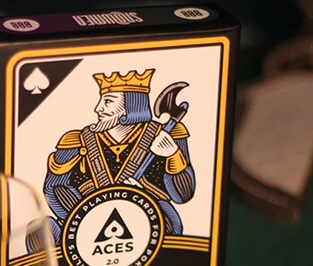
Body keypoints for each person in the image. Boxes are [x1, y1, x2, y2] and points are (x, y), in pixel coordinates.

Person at [37, 69, 196, 249]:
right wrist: (91, 213)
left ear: (131, 105)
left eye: (108, 102)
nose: (98, 108)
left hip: (150, 221)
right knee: (39, 231)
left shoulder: (168, 135)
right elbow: (54, 188)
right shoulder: (75, 140)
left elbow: (183, 195)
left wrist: (172, 154)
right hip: (85, 225)